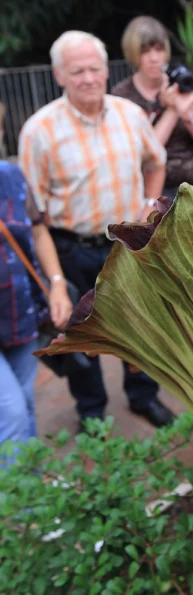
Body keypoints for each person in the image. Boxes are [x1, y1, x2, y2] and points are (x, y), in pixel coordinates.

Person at [18, 30, 175, 431]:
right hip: (73, 249)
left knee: (141, 325)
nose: (88, 78)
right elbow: (33, 216)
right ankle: (92, 412)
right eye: (77, 71)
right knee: (82, 336)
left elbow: (155, 163)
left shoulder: (131, 115)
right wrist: (54, 279)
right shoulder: (39, 131)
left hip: (127, 243)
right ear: (59, 75)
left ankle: (144, 397)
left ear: (107, 70)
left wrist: (147, 207)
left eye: (94, 68)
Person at [0, 113, 72, 461]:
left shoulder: (10, 176)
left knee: (24, 402)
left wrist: (57, 285)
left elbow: (39, 230)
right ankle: (21, 507)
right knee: (10, 411)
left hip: (18, 313)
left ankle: (31, 484)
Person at [112, 16, 193, 201]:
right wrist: (172, 110)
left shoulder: (183, 83)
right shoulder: (123, 95)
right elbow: (145, 152)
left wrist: (187, 113)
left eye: (159, 50)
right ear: (133, 54)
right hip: (151, 193)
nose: (154, 58)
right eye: (145, 52)